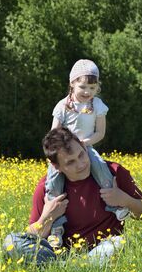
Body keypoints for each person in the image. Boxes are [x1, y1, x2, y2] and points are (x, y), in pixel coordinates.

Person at [3, 127, 142, 265]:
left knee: (119, 244)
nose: (81, 164)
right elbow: (32, 236)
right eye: (70, 162)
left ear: (85, 147)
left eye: (81, 155)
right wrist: (48, 216)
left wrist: (123, 199)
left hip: (104, 248)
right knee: (11, 242)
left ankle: (67, 268)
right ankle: (70, 267)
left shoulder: (113, 173)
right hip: (60, 252)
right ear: (57, 167)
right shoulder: (46, 189)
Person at [46, 59, 130, 249]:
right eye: (83, 86)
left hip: (85, 147)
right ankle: (56, 228)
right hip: (63, 152)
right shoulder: (62, 106)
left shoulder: (97, 105)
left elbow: (100, 133)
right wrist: (56, 155)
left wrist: (84, 143)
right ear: (72, 84)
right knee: (53, 181)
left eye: (92, 87)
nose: (87, 92)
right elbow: (54, 134)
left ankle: (115, 206)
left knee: (101, 168)